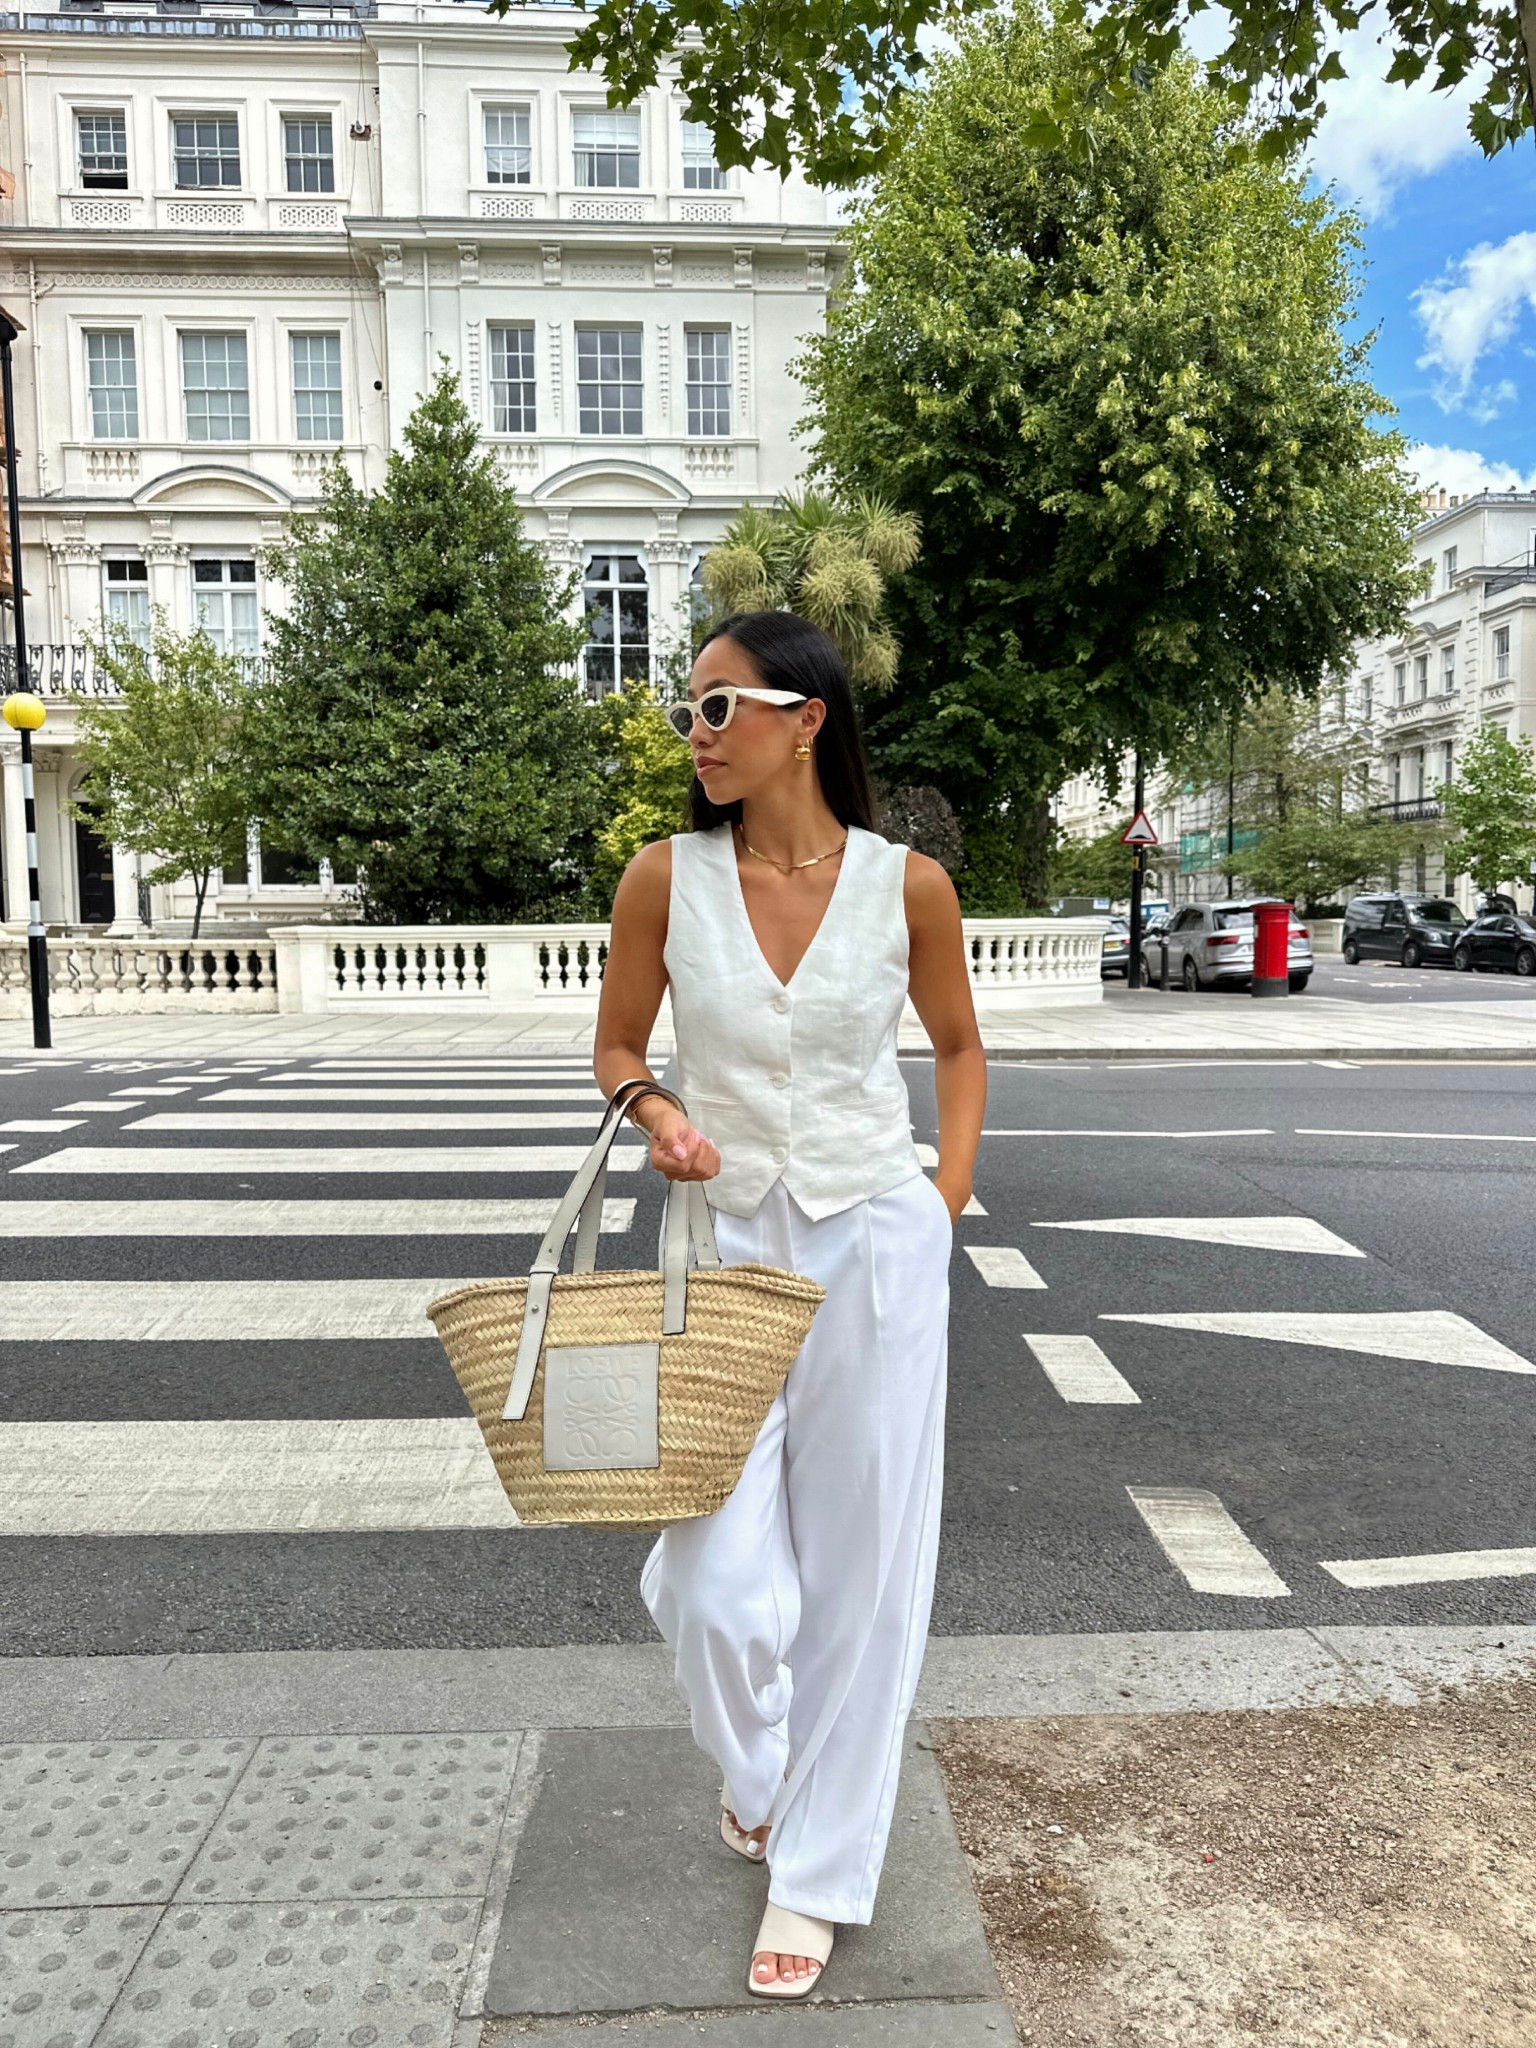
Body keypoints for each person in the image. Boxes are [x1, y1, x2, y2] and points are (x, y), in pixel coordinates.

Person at [593, 609, 985, 2000]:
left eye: (716, 707)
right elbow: (617, 1044)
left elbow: (957, 1049)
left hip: (875, 1243)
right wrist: (655, 1113)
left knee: (867, 1576)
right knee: (707, 1577)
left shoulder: (907, 887)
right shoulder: (662, 879)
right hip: (721, 1235)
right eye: (686, 711)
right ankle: (759, 1772)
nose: (694, 733)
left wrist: (938, 1204)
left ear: (802, 717)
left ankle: (816, 1869)